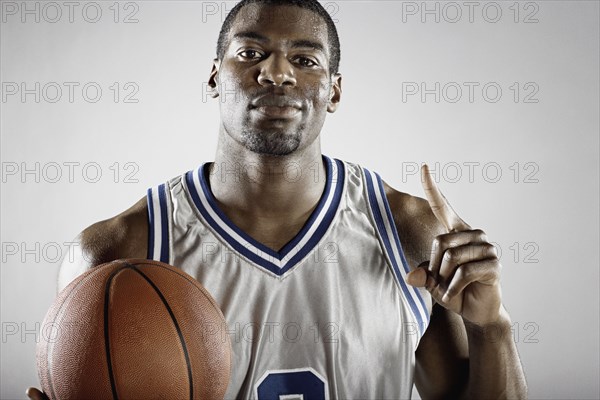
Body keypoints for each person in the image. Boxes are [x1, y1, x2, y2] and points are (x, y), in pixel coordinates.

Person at [28, 0, 527, 398]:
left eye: (305, 59)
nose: (277, 73)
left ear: (334, 91)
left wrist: (493, 329)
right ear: (212, 77)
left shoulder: (410, 233)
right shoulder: (116, 253)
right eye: (250, 53)